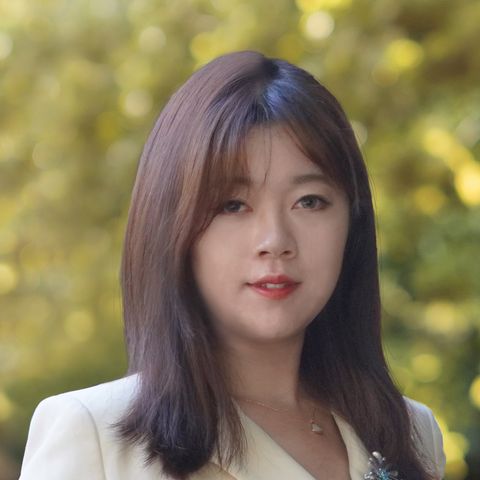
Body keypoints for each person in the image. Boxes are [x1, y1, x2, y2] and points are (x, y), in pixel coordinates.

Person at [19, 50, 446, 480]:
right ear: (171, 226)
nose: (275, 241)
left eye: (309, 201)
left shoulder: (411, 433)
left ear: (352, 222)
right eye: (233, 205)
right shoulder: (96, 436)